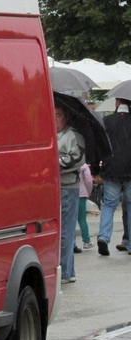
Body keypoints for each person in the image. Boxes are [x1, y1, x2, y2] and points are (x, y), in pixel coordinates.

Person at [96, 98, 131, 257]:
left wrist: (96, 169)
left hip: (111, 169)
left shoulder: (106, 121)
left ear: (117, 102)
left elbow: (99, 145)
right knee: (130, 206)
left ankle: (103, 237)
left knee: (109, 205)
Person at [56, 104, 85, 283]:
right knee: (61, 230)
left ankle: (65, 271)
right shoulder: (54, 135)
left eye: (58, 115)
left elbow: (76, 159)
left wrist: (53, 161)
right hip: (56, 186)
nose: (55, 119)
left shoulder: (73, 136)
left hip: (68, 187)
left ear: (66, 117)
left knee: (66, 231)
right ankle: (69, 270)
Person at [77, 162, 94, 250]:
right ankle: (86, 241)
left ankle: (71, 243)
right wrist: (88, 192)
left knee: (69, 220)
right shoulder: (84, 166)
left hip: (67, 192)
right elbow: (88, 181)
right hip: (81, 194)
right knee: (82, 219)